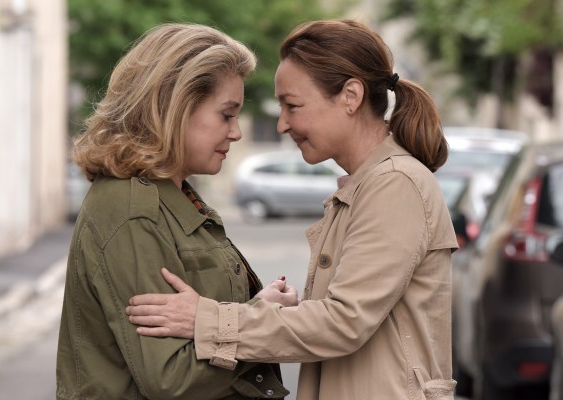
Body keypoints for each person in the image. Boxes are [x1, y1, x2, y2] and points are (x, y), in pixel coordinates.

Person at [125, 19, 460, 400]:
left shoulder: (396, 184)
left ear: (351, 96)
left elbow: (342, 323)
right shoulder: (368, 185)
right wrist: (263, 310)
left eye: (293, 106)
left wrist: (207, 320)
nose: (283, 124)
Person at [56, 23, 289, 400]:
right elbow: (170, 378)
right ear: (175, 108)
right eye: (226, 115)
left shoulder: (173, 196)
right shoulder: (132, 211)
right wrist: (261, 320)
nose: (236, 133)